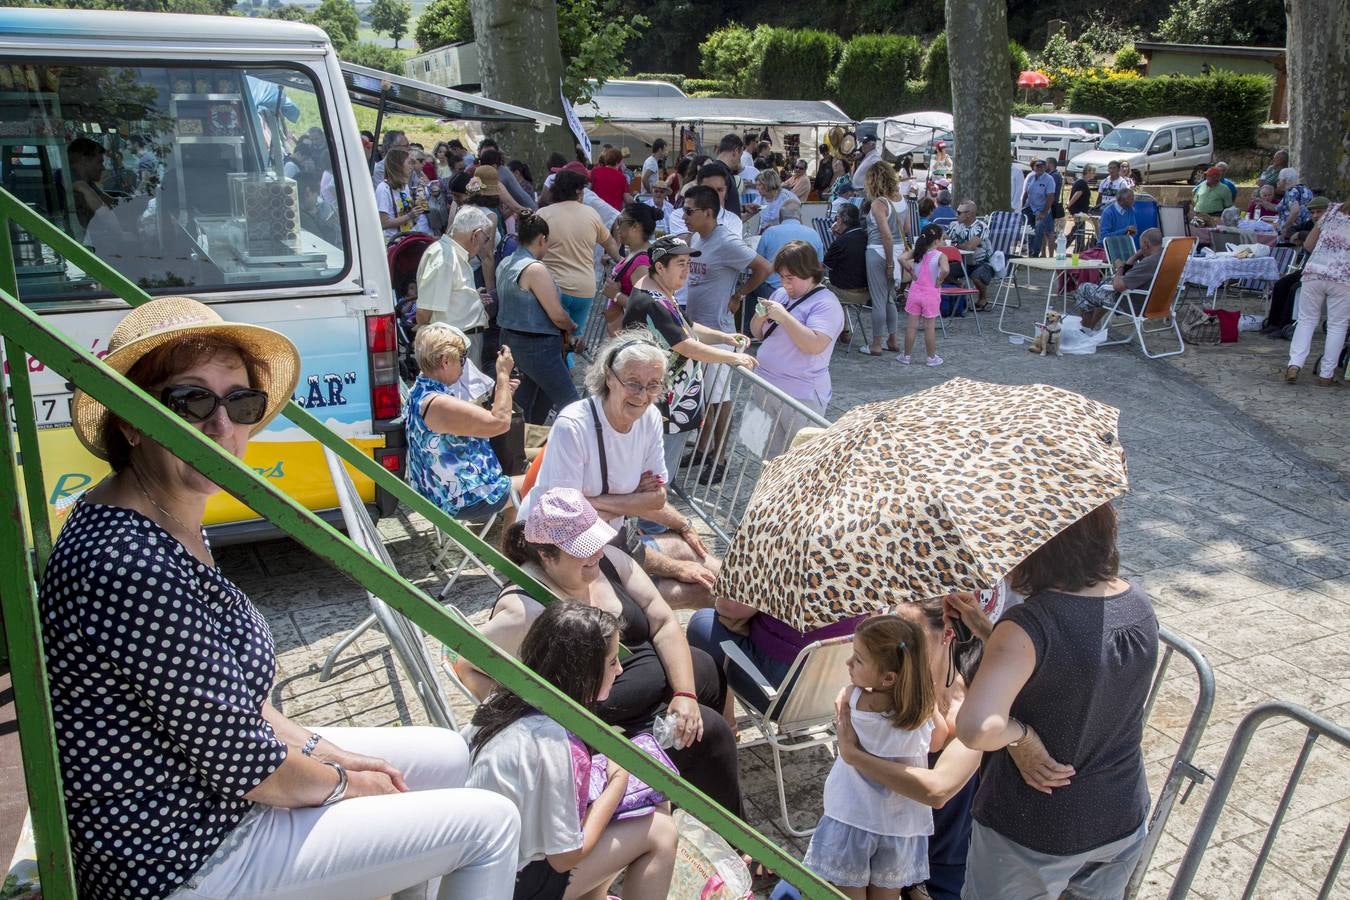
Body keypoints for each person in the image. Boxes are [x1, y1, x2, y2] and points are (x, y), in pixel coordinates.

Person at [44, 296, 521, 900]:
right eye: (190, 401)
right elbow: (246, 765)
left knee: (449, 755)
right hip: (182, 855)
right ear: (132, 420)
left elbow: (232, 704)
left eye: (240, 402)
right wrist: (344, 781)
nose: (221, 426)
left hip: (210, 799)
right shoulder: (126, 562)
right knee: (491, 826)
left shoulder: (170, 512)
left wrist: (333, 751)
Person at [457, 488, 744, 817]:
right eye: (582, 548)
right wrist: (544, 721)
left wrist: (684, 693)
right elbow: (467, 665)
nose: (594, 551)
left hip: (647, 686)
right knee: (711, 732)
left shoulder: (606, 559)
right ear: (546, 555)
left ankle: (693, 787)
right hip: (612, 725)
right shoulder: (525, 609)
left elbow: (663, 620)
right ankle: (735, 836)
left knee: (707, 669)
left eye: (595, 540)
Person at [956, 502, 1158, 900]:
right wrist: (987, 632)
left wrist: (1022, 737)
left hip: (1035, 827)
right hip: (1120, 813)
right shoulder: (1138, 603)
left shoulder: (1029, 625)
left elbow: (975, 727)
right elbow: (1074, 674)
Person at [467, 601, 677, 900]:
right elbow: (565, 857)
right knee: (660, 831)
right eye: (612, 661)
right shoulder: (556, 744)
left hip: (482, 866)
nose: (619, 670)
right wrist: (617, 783)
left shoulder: (506, 699)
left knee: (649, 803)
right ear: (585, 672)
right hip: (506, 885)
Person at [520, 334, 724, 609]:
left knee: (700, 559)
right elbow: (566, 523)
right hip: (568, 555)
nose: (643, 395)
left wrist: (682, 524)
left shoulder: (649, 416)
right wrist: (632, 500)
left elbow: (656, 500)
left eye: (654, 385)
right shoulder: (574, 425)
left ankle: (758, 605)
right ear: (609, 377)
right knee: (705, 591)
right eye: (633, 383)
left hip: (613, 539)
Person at [802, 615, 936, 897]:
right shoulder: (922, 713)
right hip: (900, 827)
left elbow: (846, 705)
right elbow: (938, 739)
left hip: (852, 818)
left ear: (889, 677)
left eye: (858, 659)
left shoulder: (852, 700)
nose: (848, 663)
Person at [622, 235, 756, 472]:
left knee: (652, 470)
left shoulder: (657, 288)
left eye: (688, 263)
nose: (687, 270)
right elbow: (685, 344)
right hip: (666, 408)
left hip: (668, 402)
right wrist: (733, 357)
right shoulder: (653, 301)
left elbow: (687, 327)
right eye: (681, 264)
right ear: (660, 267)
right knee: (659, 474)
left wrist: (723, 337)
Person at [683, 185, 771, 481]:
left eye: (689, 210)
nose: (684, 216)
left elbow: (763, 268)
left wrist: (740, 295)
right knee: (706, 396)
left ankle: (719, 457)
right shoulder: (698, 237)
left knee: (719, 399)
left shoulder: (727, 241)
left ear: (708, 212)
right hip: (698, 331)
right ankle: (703, 449)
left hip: (720, 332)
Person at [407, 324, 518, 518]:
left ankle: (513, 545)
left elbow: (471, 420)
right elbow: (500, 423)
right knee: (543, 485)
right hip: (465, 497)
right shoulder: (437, 403)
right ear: (445, 361)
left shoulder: (420, 390)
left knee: (532, 472)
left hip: (441, 493)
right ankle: (514, 547)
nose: (464, 365)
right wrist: (503, 374)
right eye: (462, 359)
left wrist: (504, 393)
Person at [749, 241, 845, 454]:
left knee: (799, 457)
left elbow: (814, 344)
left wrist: (784, 317)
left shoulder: (827, 303)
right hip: (764, 384)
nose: (785, 284)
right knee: (761, 452)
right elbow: (758, 332)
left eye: (790, 278)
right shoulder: (780, 295)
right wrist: (759, 317)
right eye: (782, 277)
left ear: (809, 273)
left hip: (799, 393)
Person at [495, 211, 582, 424]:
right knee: (573, 405)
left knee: (524, 408)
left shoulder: (505, 263)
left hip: (512, 341)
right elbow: (557, 315)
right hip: (538, 347)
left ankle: (521, 453)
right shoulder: (534, 269)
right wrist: (572, 328)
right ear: (542, 239)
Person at [539, 168, 622, 339]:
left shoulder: (543, 215)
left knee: (553, 340)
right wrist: (623, 263)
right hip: (584, 289)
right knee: (574, 340)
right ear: (578, 191)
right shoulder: (591, 214)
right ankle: (568, 363)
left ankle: (562, 365)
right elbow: (610, 243)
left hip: (553, 288)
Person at [417, 205, 495, 364]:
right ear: (476, 235)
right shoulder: (445, 258)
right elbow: (425, 310)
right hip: (454, 344)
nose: (484, 244)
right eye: (485, 239)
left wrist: (471, 296)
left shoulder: (452, 254)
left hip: (460, 340)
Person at [1285, 199, 1349, 385]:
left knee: (1306, 320)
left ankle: (1294, 364)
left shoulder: (1332, 210)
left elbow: (1308, 245)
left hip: (1315, 272)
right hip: (1343, 277)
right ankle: (1326, 375)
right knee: (1337, 326)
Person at [1072, 227, 1164, 329]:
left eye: (1141, 245)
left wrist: (1119, 267)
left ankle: (1085, 330)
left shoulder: (1149, 262)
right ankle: (1090, 328)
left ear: (1146, 244)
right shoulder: (1164, 256)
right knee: (1103, 289)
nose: (1140, 248)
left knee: (1084, 289)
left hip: (1131, 303)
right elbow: (1130, 274)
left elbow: (1118, 286)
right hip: (1157, 304)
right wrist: (1135, 257)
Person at [861, 162, 906, 357]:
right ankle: (893, 340)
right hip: (899, 251)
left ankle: (876, 344)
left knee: (878, 300)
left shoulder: (879, 203)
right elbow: (907, 230)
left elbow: (885, 234)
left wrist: (888, 263)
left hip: (879, 251)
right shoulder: (901, 200)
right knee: (890, 299)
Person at [602, 202, 657, 332]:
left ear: (635, 226)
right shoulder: (635, 254)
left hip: (632, 336)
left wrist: (615, 295)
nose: (617, 228)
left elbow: (648, 307)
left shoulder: (642, 262)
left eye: (620, 221)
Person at [899, 223, 947, 367]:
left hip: (915, 293)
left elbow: (901, 258)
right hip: (931, 294)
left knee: (911, 327)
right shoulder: (940, 255)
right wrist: (939, 280)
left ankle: (906, 356)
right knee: (929, 327)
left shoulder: (917, 252)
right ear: (937, 241)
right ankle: (931, 358)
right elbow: (945, 269)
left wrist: (910, 271)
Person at [755, 206, 825, 301]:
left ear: (780, 217)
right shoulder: (814, 233)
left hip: (772, 288)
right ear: (800, 217)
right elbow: (819, 265)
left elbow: (758, 264)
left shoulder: (770, 232)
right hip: (805, 290)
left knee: (751, 289)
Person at [824, 203, 870, 343]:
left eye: (837, 217)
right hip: (865, 292)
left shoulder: (841, 242)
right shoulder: (865, 236)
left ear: (840, 220)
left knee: (821, 287)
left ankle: (829, 331)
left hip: (846, 292)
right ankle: (844, 330)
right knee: (836, 286)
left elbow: (826, 264)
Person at [945, 201, 994, 309]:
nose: (956, 215)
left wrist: (955, 245)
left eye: (958, 212)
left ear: (969, 214)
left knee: (976, 276)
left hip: (982, 262)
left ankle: (983, 298)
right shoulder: (955, 225)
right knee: (942, 270)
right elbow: (944, 239)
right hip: (963, 262)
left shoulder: (981, 227)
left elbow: (970, 247)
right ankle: (960, 286)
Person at [376, 147, 431, 241]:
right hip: (393, 242)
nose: (411, 166)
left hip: (408, 238)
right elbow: (383, 223)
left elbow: (409, 215)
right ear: (398, 165)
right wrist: (409, 215)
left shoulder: (404, 186)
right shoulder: (383, 188)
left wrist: (419, 197)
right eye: (409, 163)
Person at [1022, 158, 1056, 257]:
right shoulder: (1030, 177)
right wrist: (1022, 206)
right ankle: (1030, 252)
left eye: (1042, 166)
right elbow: (1025, 193)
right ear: (1034, 167)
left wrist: (1044, 212)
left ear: (1045, 167)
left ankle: (1036, 253)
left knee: (1041, 228)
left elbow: (1050, 197)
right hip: (1030, 208)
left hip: (1043, 209)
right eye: (1037, 166)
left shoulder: (1049, 179)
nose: (1039, 168)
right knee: (1028, 230)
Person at [750, 167, 800, 231]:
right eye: (756, 185)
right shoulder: (760, 200)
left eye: (759, 185)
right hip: (767, 233)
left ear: (768, 184)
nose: (757, 188)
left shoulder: (786, 198)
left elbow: (795, 221)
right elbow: (751, 214)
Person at [1276, 168, 1314, 243]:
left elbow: (1295, 210)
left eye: (1279, 179)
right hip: (1305, 228)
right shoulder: (1306, 190)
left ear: (1285, 180)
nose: (1278, 182)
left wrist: (1285, 227)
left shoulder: (1291, 192)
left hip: (1293, 230)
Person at [589, 147, 631, 212]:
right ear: (618, 162)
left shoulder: (594, 172)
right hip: (613, 215)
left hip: (595, 212)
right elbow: (627, 199)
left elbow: (587, 190)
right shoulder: (622, 178)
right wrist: (639, 204)